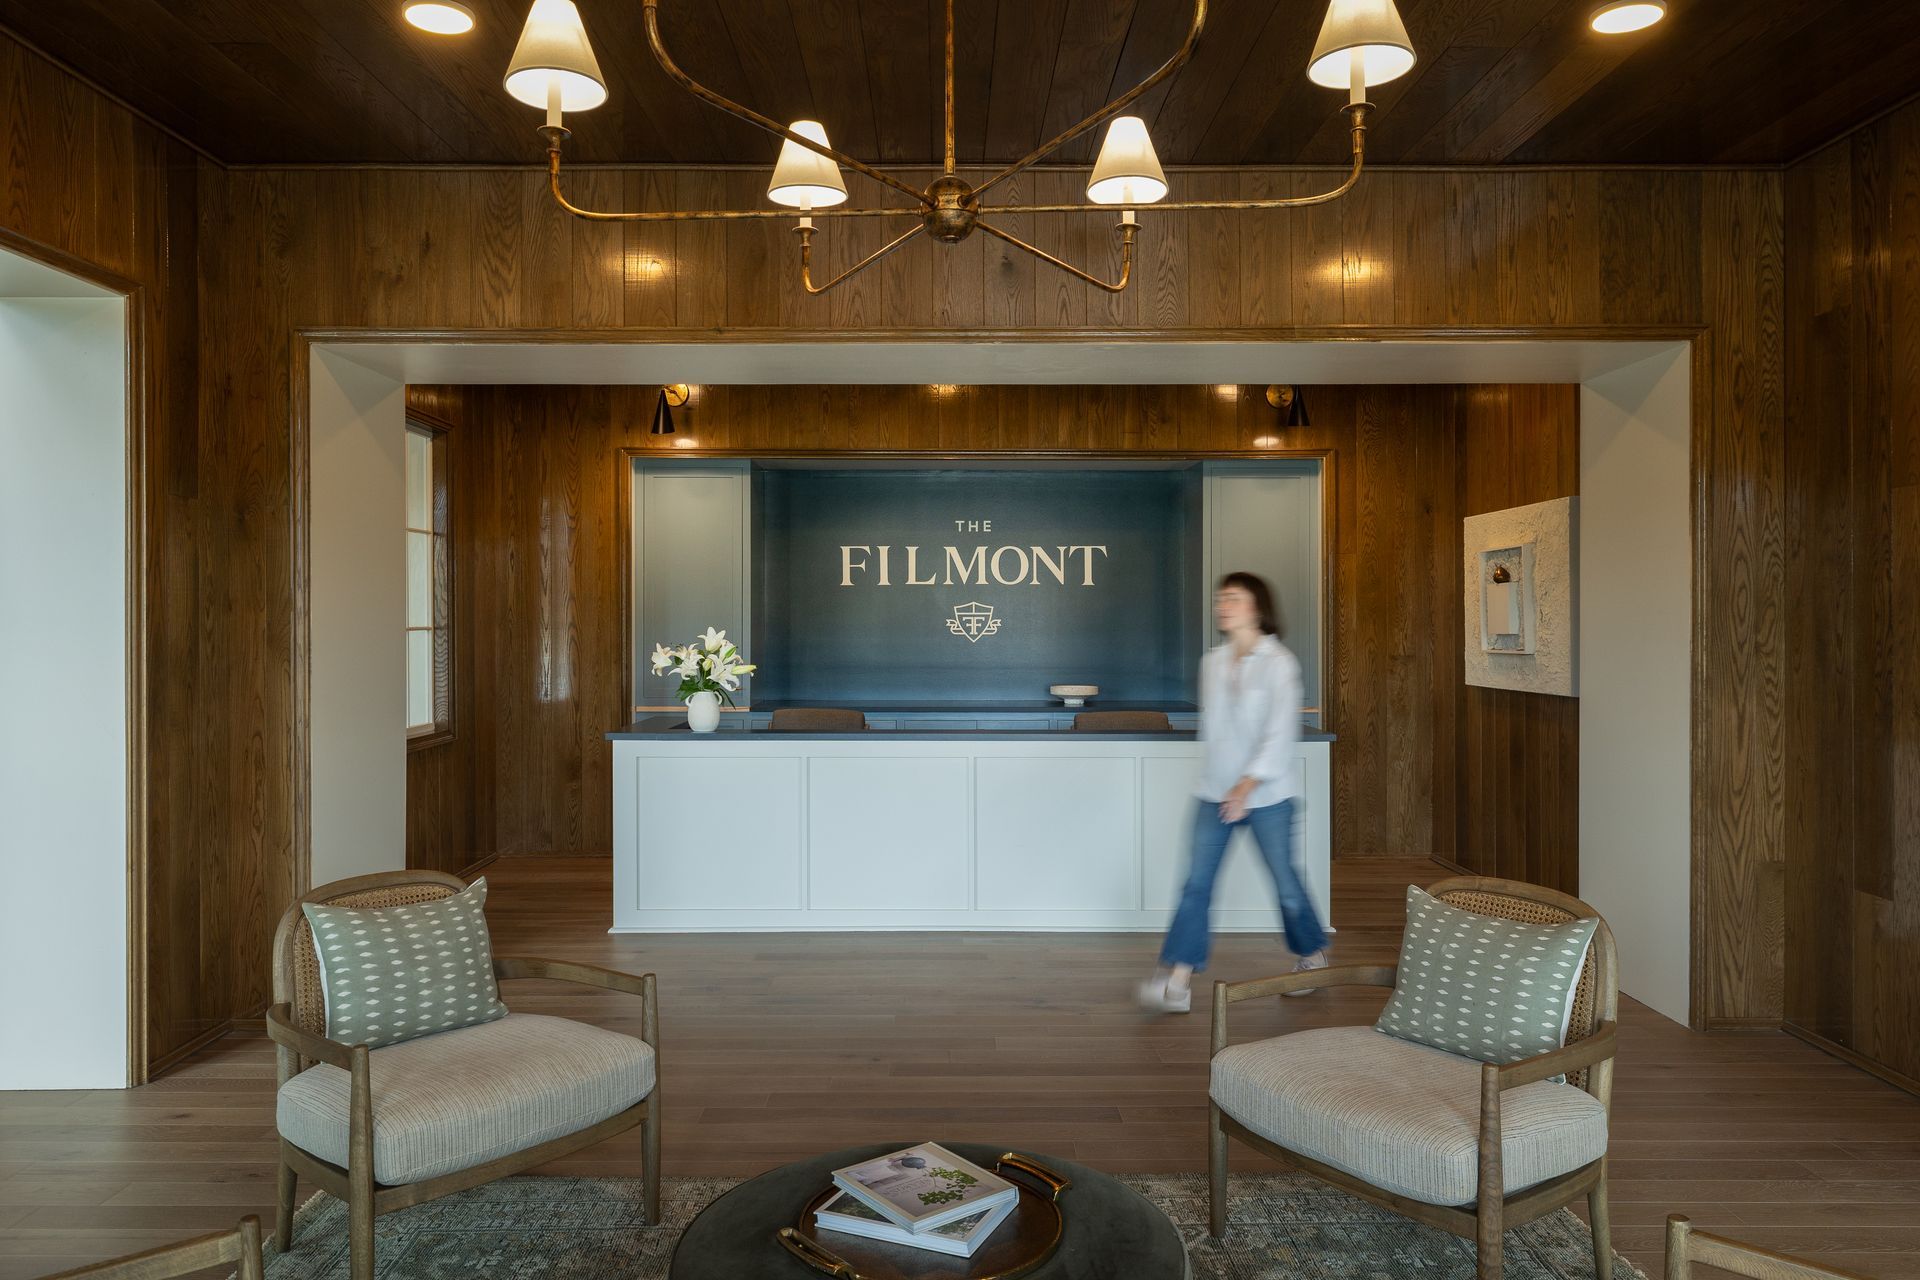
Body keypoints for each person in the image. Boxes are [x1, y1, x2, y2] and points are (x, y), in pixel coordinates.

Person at [1137, 571, 1329, 1014]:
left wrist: (1246, 785)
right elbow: (1217, 734)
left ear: (1257, 607)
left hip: (1268, 798)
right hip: (1215, 794)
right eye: (1221, 598)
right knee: (1196, 885)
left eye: (1234, 598)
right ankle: (1178, 983)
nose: (1223, 605)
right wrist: (1225, 787)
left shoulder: (1279, 662)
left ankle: (1312, 957)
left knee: (1285, 885)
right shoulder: (1213, 662)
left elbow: (1279, 734)